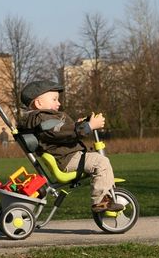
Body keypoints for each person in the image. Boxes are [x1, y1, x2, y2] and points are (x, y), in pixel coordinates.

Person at [17, 80, 124, 213]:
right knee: (101, 162)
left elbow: (61, 130)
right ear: (39, 103)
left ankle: (105, 197)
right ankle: (101, 201)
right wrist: (88, 126)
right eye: (54, 99)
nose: (59, 103)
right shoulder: (43, 119)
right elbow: (60, 131)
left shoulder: (43, 119)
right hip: (67, 159)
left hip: (66, 156)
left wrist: (79, 124)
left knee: (98, 160)